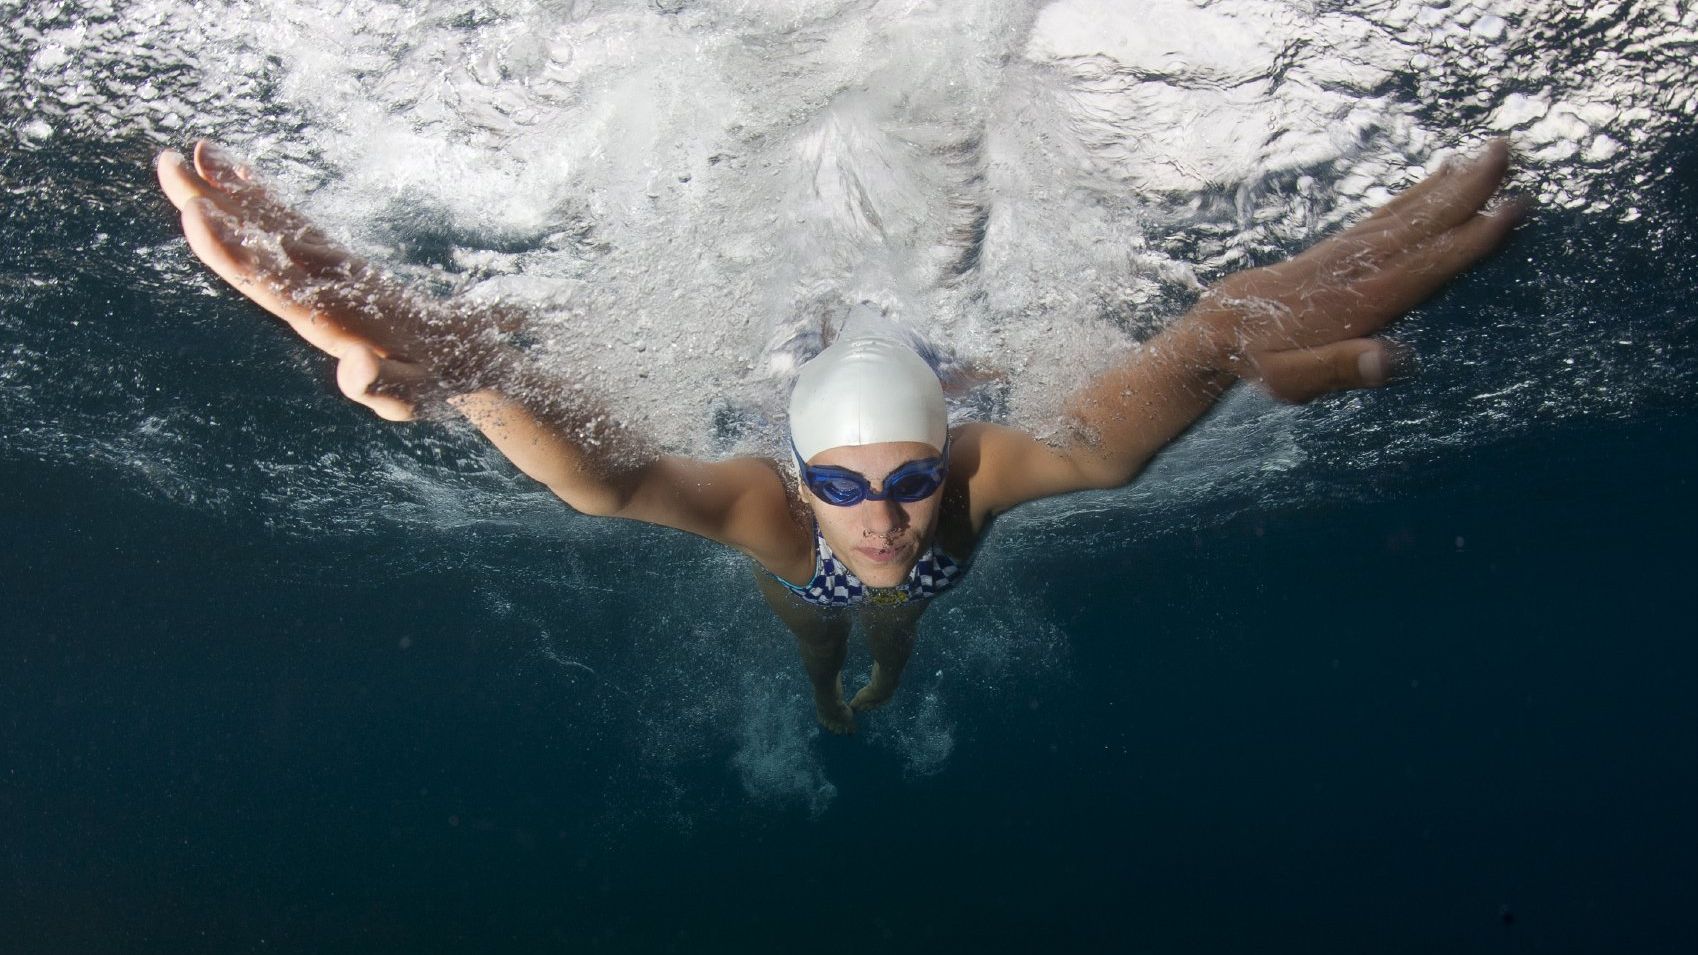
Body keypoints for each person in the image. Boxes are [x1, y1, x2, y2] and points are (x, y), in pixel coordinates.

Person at [156, 138, 1523, 734]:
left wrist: (1230, 334)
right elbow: (610, 481)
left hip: (918, 510)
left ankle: (869, 675)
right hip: (794, 581)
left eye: (910, 483)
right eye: (844, 489)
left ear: (949, 459)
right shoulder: (780, 520)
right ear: (795, 477)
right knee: (828, 621)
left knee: (901, 615)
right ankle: (827, 688)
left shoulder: (971, 480)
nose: (876, 516)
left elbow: (1135, 414)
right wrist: (461, 373)